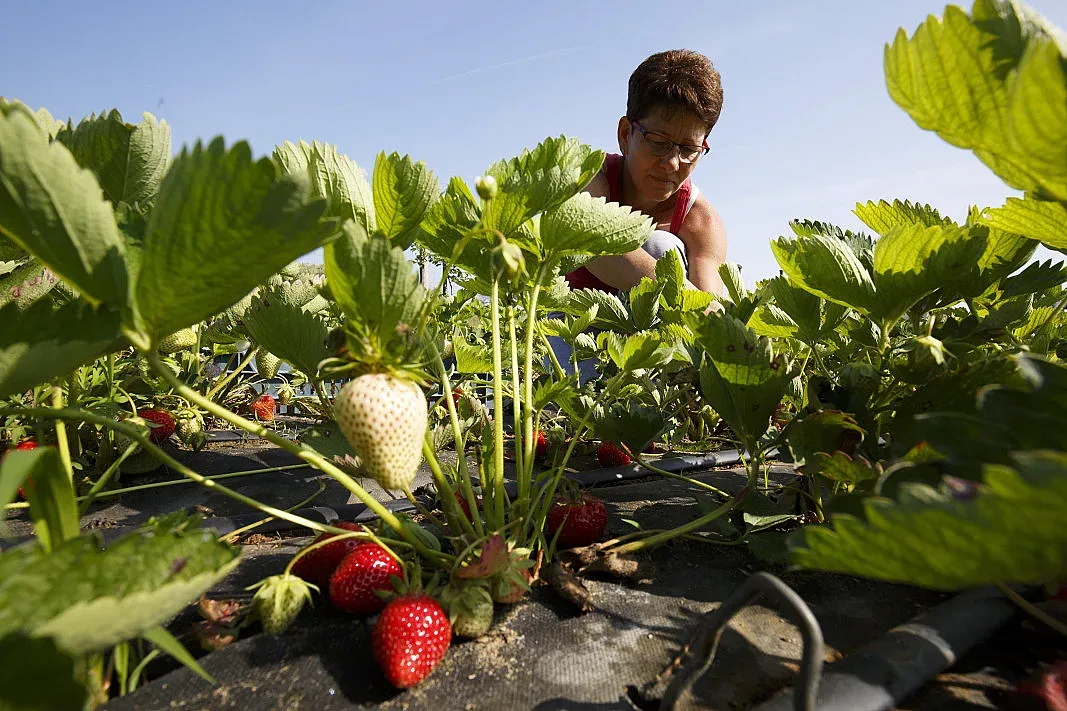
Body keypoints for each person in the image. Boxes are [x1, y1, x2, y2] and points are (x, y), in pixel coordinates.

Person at [566, 49, 728, 297]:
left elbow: (710, 300)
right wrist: (690, 300)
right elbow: (598, 247)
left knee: (662, 247)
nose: (673, 163)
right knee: (656, 246)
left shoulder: (701, 221)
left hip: (651, 330)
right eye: (658, 142)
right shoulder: (591, 176)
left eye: (688, 149)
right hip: (574, 320)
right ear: (625, 134)